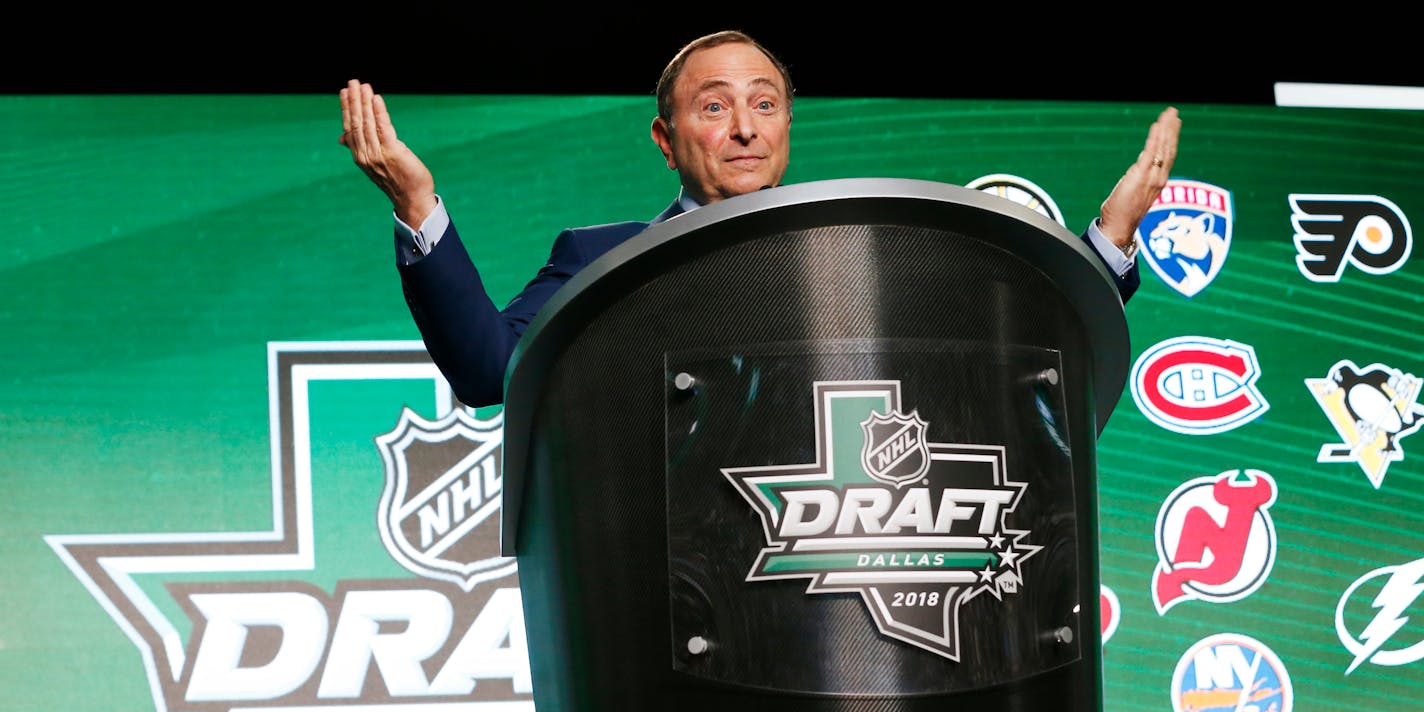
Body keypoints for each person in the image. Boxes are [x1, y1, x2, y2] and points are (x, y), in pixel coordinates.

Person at [340, 30, 1181, 409]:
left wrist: (1105, 243)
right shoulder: (599, 259)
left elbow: (992, 350)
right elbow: (490, 373)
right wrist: (417, 208)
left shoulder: (867, 251)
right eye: (715, 107)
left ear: (786, 126)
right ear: (666, 141)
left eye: (764, 104)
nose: (744, 127)